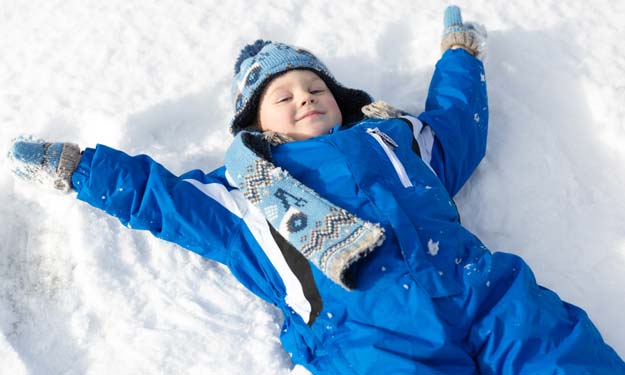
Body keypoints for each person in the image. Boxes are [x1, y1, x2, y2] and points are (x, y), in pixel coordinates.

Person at [8, 6, 625, 375]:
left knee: (558, 350)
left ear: (339, 100)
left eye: (315, 87)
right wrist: (80, 167)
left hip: (480, 287)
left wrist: (459, 55)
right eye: (284, 95)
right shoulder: (251, 193)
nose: (304, 97)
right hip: (369, 328)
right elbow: (164, 200)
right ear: (256, 124)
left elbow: (457, 122)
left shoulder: (396, 139)